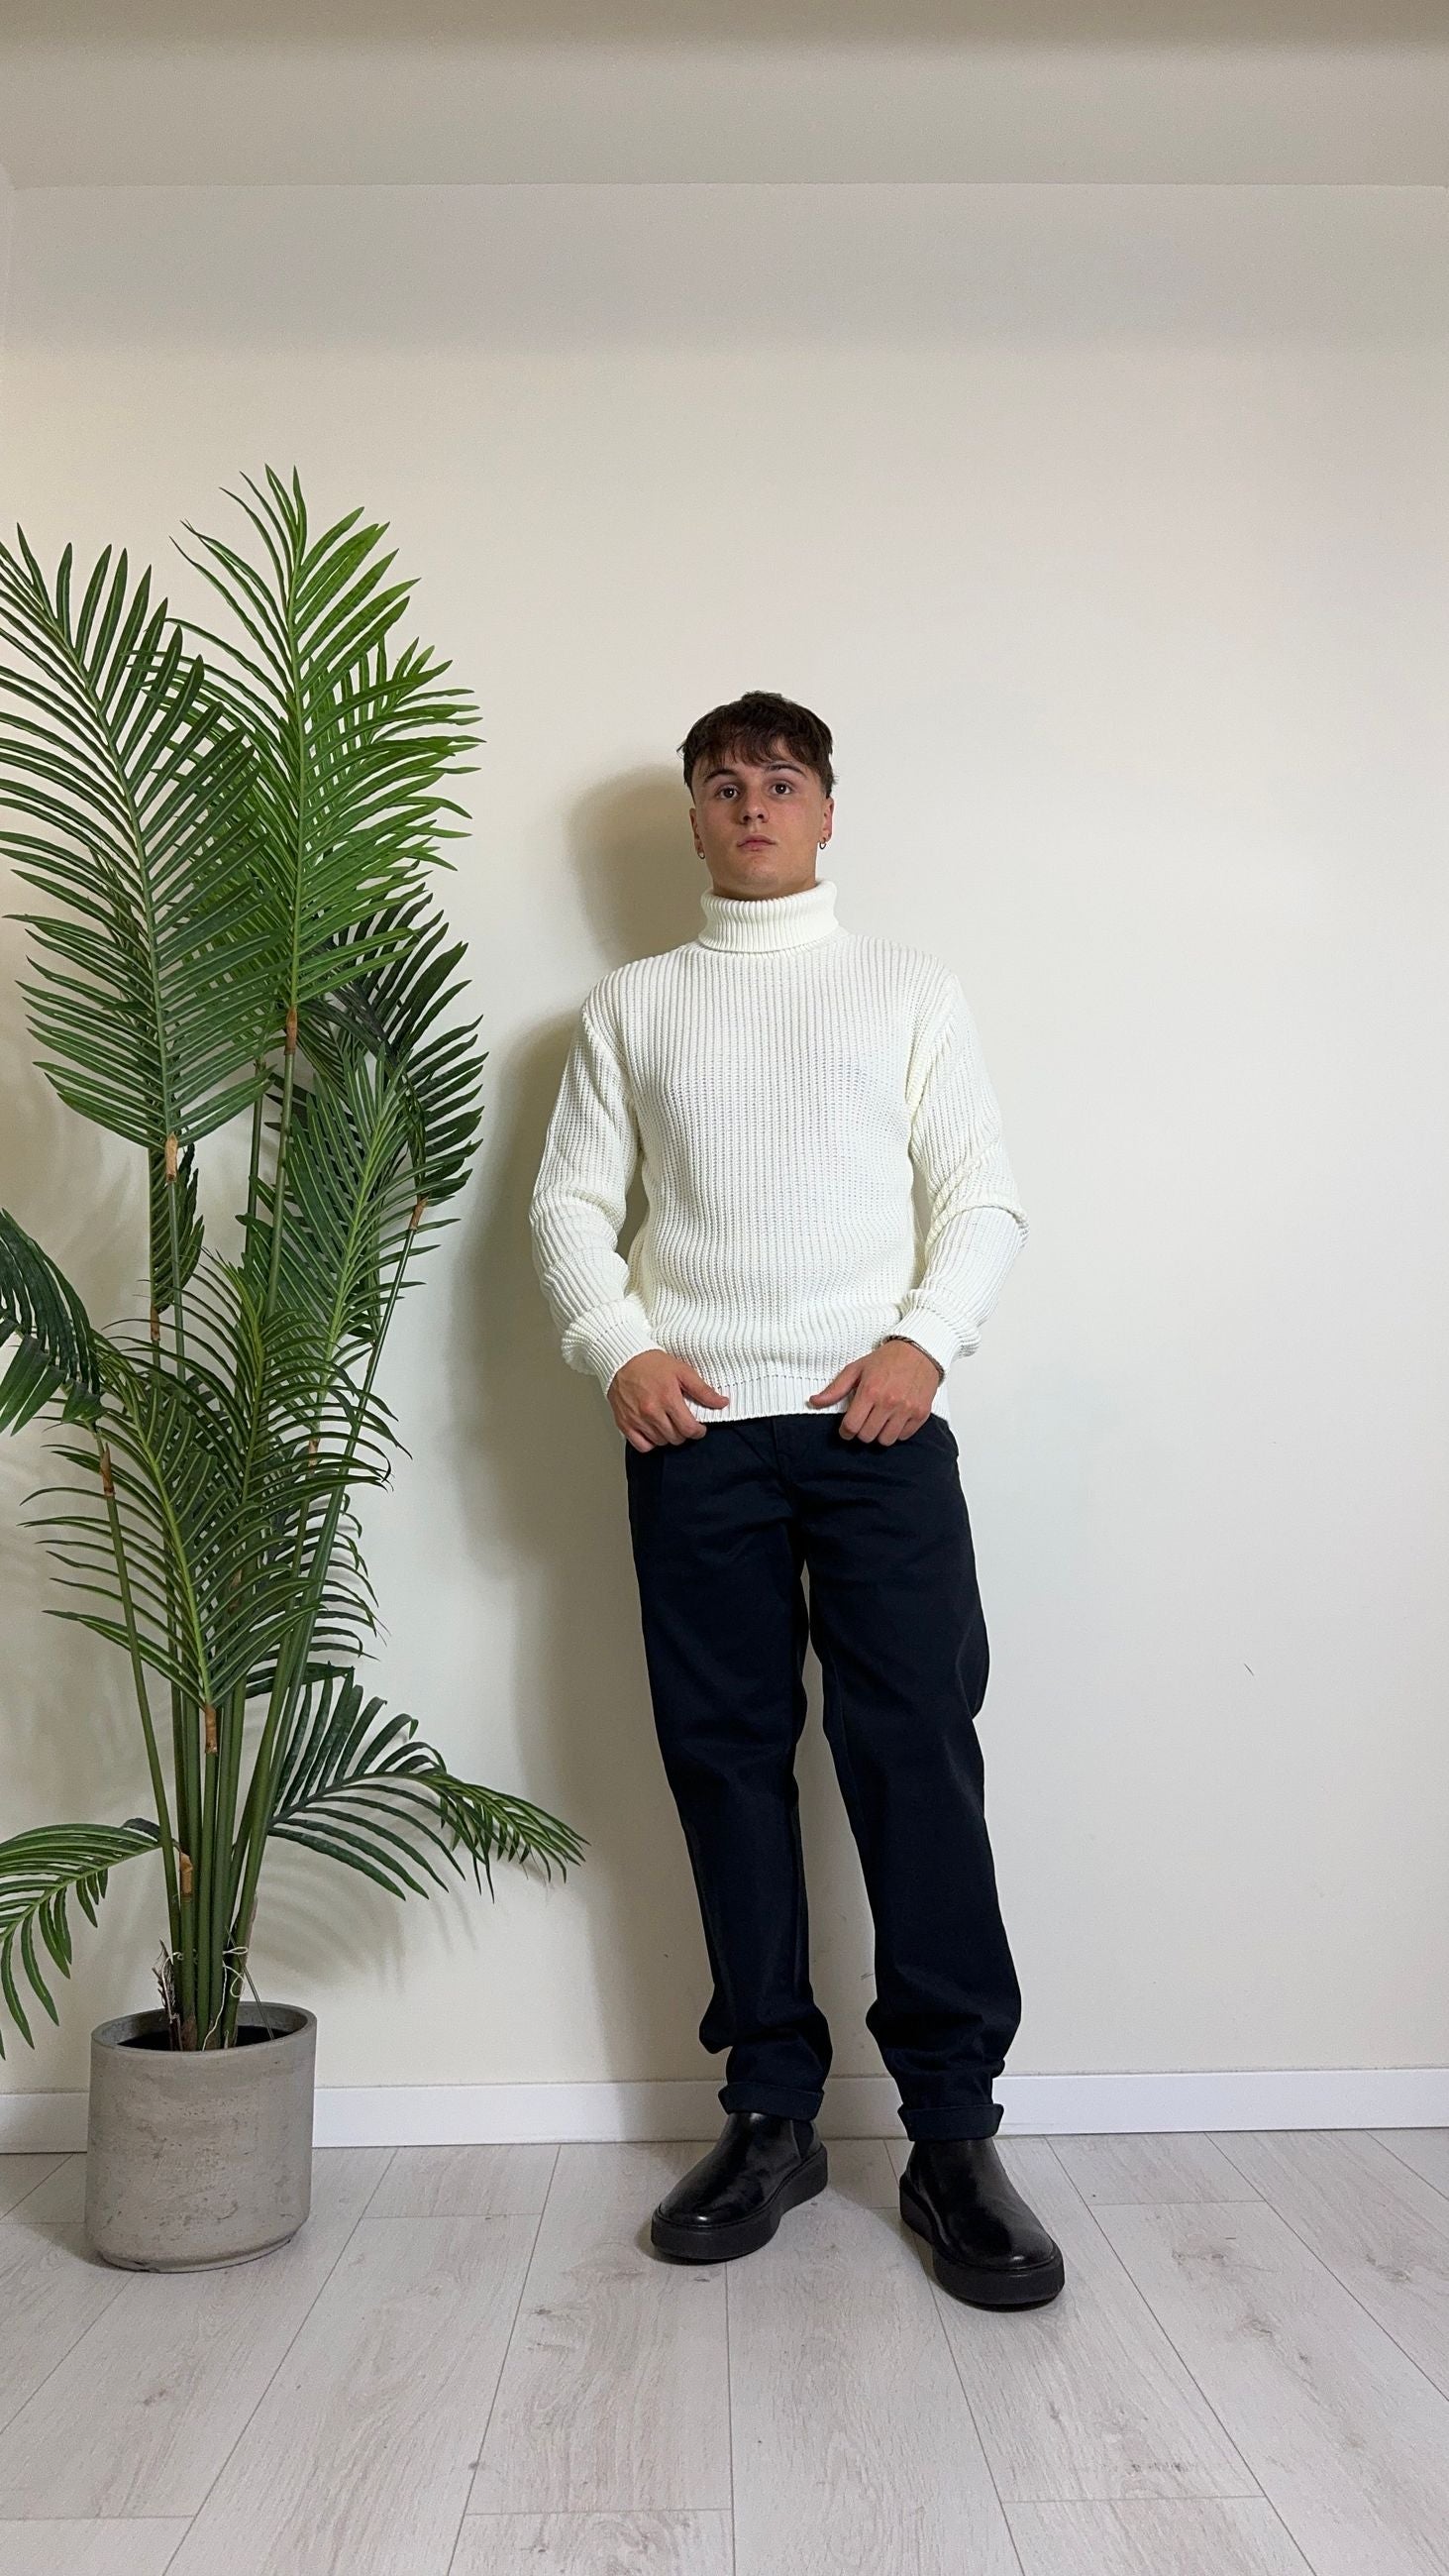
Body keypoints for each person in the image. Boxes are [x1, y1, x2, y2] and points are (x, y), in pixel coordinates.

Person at [529, 691, 1064, 2310]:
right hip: (698, 1437)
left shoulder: (909, 991)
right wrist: (618, 1346)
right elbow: (567, 1208)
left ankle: (951, 2136)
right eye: (721, 785)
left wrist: (922, 1342)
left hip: (874, 1429)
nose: (751, 804)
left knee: (918, 1762)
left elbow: (981, 1196)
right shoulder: (632, 1007)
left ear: (828, 811)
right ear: (695, 819)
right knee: (725, 1765)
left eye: (779, 780)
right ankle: (769, 2113)